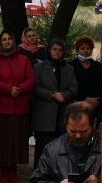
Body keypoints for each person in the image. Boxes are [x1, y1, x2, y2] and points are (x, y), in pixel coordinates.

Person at [0, 29, 34, 183]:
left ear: (13, 41)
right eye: (4, 39)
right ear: (0, 42)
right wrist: (8, 89)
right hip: (0, 107)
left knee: (17, 140)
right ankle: (4, 169)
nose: (7, 42)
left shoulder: (23, 59)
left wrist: (19, 88)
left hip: (20, 106)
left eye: (9, 39)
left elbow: (31, 78)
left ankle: (14, 169)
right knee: (3, 140)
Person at [31, 37, 77, 165]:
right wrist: (51, 95)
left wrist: (65, 95)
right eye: (54, 49)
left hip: (62, 114)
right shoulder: (39, 67)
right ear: (49, 50)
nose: (57, 52)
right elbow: (34, 87)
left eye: (60, 50)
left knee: (61, 149)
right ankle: (39, 176)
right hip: (45, 114)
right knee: (43, 148)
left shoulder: (68, 68)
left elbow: (74, 87)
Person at [69, 35, 102, 124]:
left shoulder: (98, 66)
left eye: (88, 48)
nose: (85, 51)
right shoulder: (71, 66)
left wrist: (97, 100)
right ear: (77, 50)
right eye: (82, 48)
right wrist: (85, 99)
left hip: (97, 107)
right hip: (78, 107)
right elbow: (70, 86)